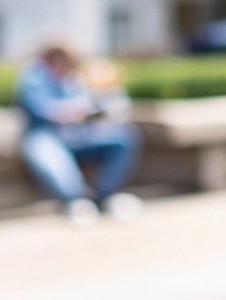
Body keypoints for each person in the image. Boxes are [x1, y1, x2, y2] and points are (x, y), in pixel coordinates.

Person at [16, 44, 143, 226]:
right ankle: (76, 200)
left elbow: (89, 103)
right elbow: (42, 109)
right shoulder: (35, 76)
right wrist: (72, 110)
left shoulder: (71, 78)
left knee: (124, 138)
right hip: (47, 134)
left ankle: (104, 196)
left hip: (76, 135)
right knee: (52, 156)